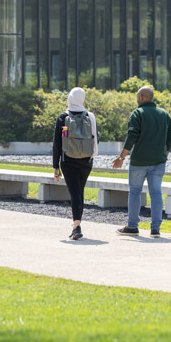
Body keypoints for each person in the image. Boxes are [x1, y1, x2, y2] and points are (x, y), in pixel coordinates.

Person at [112, 86, 171, 238]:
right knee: (156, 193)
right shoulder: (164, 114)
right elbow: (170, 134)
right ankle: (155, 229)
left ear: (140, 97)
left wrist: (121, 157)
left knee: (134, 192)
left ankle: (132, 226)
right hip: (159, 161)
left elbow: (131, 136)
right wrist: (165, 153)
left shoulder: (138, 113)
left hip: (139, 161)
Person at [52, 87, 98, 240]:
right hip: (86, 160)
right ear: (83, 100)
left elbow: (57, 144)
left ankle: (76, 226)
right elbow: (96, 139)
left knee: (75, 192)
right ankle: (76, 224)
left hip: (68, 160)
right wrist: (92, 156)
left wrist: (55, 166)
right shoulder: (90, 116)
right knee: (80, 191)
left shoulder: (62, 118)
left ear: (69, 99)